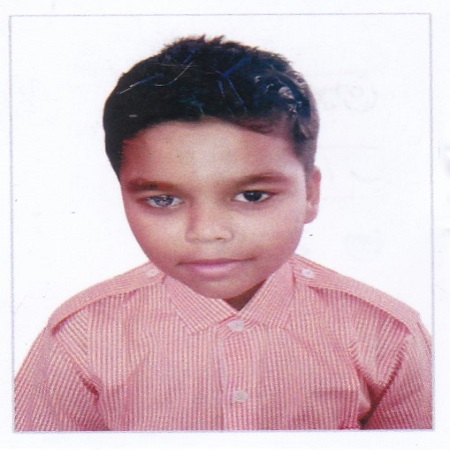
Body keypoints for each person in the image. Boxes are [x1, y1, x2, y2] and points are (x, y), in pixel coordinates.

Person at [14, 35, 432, 431]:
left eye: (252, 195)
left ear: (310, 193)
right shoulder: (82, 338)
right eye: (164, 199)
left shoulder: (387, 335)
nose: (207, 232)